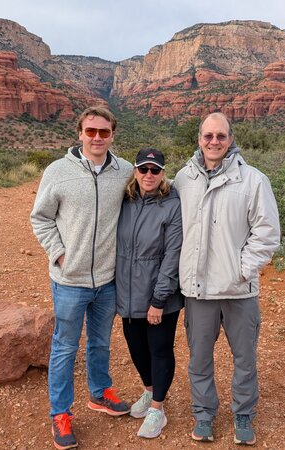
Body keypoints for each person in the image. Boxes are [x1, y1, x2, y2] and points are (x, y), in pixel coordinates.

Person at [173, 111, 280, 446]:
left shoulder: (253, 180)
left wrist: (243, 269)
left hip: (239, 291)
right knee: (199, 360)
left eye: (221, 136)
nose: (214, 142)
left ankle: (243, 414)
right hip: (198, 290)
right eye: (208, 136)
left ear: (230, 139)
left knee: (245, 359)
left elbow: (267, 233)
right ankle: (203, 415)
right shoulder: (183, 179)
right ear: (199, 139)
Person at [30, 105, 133, 450]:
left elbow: (151, 192)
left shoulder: (125, 171)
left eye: (104, 132)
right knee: (64, 347)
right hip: (69, 279)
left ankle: (100, 393)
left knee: (101, 341)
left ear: (112, 134)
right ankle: (60, 413)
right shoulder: (58, 171)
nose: (97, 137)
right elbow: (40, 218)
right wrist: (59, 253)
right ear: (80, 134)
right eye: (91, 131)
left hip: (107, 279)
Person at [115, 148, 183, 439]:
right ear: (135, 171)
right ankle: (149, 390)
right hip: (128, 292)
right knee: (136, 349)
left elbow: (172, 255)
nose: (149, 175)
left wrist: (159, 300)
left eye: (155, 170)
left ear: (163, 173)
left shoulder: (171, 204)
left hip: (159, 295)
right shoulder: (125, 201)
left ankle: (158, 408)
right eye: (144, 169)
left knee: (159, 350)